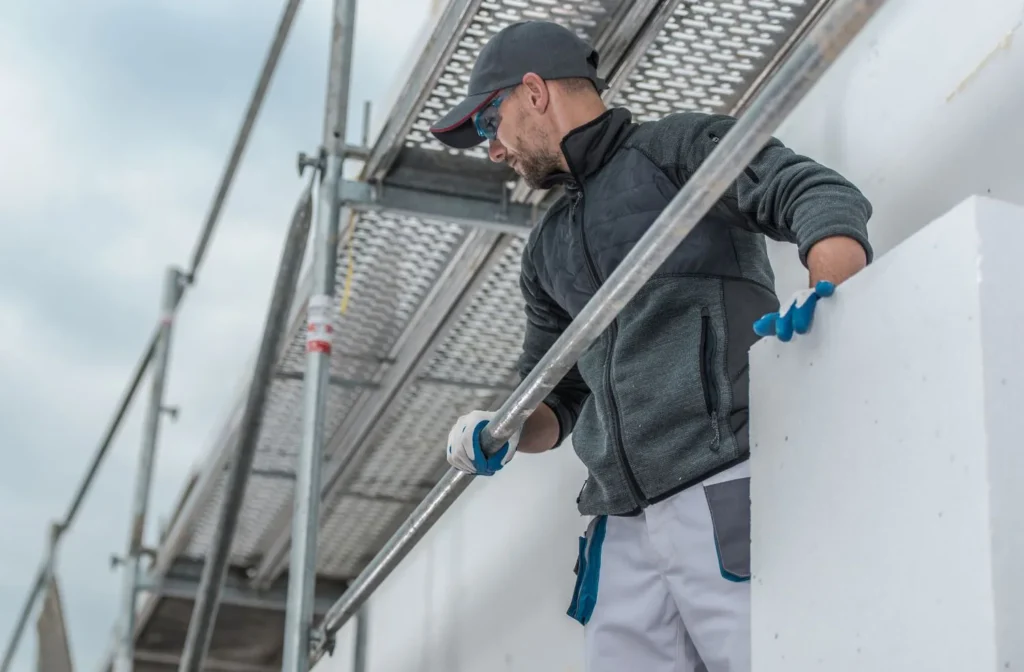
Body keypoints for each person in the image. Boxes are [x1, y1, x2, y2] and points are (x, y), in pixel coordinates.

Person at [430, 19, 872, 672]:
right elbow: (558, 399)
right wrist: (499, 429)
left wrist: (835, 288)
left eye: (490, 121)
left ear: (533, 92)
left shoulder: (678, 150)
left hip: (719, 478)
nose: (492, 148)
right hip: (621, 522)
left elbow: (813, 192)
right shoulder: (546, 246)